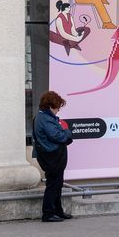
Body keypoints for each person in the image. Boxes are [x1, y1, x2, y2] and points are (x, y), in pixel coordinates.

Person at [32, 90, 74, 222]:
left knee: (57, 183)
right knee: (53, 184)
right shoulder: (46, 119)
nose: (58, 110)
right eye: (57, 107)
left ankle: (57, 211)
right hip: (52, 157)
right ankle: (48, 213)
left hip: (52, 156)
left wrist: (64, 133)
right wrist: (67, 131)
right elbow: (58, 136)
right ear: (50, 106)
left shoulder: (44, 117)